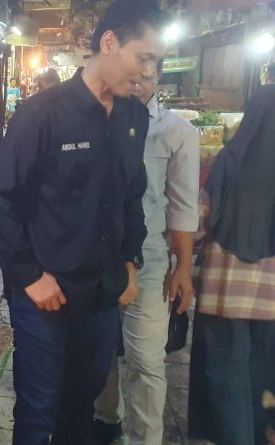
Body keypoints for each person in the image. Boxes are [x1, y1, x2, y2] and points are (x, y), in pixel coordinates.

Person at [0, 0, 167, 443]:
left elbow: (131, 196)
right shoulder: (43, 113)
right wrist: (29, 276)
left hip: (102, 296)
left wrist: (130, 261)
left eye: (155, 62)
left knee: (81, 406)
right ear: (110, 42)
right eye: (144, 57)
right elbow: (0, 201)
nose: (148, 72)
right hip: (46, 297)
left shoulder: (133, 116)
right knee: (38, 413)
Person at [93, 59, 200, 445]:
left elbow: (183, 205)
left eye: (147, 73)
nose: (137, 81)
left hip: (150, 260)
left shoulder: (176, 131)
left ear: (159, 76)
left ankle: (144, 438)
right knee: (100, 348)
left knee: (146, 360)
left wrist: (183, 267)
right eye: (132, 73)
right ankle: (106, 416)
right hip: (97, 257)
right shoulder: (96, 121)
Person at [188, 84, 275, 445]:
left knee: (226, 379)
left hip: (224, 294)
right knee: (262, 380)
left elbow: (198, 219)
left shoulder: (230, 160)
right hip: (271, 301)